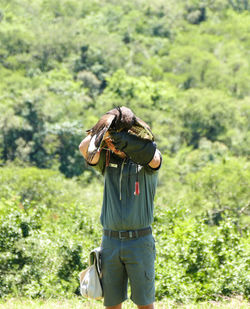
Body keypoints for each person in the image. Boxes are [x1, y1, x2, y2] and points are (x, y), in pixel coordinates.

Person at [79, 118, 162, 309]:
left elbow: (156, 158)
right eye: (110, 143)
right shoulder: (107, 163)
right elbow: (84, 147)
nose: (113, 146)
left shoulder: (146, 163)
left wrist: (129, 140)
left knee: (145, 304)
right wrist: (103, 127)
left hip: (140, 241)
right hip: (111, 242)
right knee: (112, 304)